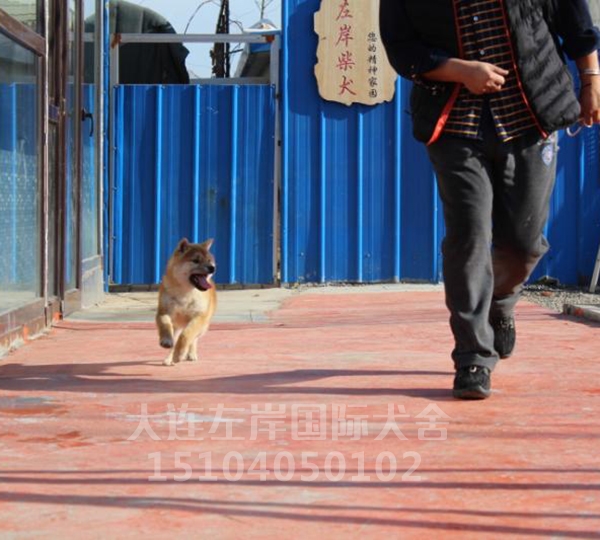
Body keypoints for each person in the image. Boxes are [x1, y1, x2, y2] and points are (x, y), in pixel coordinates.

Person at [379, 0, 600, 399]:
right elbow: (400, 48)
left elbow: (575, 20)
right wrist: (459, 70)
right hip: (454, 124)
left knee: (524, 243)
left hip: (532, 115)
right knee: (468, 236)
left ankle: (500, 299)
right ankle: (473, 357)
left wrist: (591, 80)